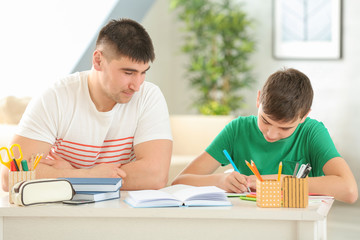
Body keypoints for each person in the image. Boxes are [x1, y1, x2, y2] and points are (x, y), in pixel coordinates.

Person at [1, 18, 172, 192]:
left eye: (143, 73)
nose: (136, 86)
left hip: (121, 211)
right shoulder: (56, 98)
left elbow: (155, 176)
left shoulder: (148, 96)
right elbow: (11, 177)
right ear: (98, 60)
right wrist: (90, 176)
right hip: (60, 212)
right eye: (128, 73)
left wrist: (70, 173)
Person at [172, 68, 358, 204]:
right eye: (266, 121)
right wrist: (219, 180)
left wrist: (282, 182)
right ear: (258, 98)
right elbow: (180, 181)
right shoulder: (238, 130)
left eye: (285, 128)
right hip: (245, 223)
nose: (271, 133)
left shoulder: (312, 132)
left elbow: (349, 191)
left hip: (298, 223)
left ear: (304, 116)